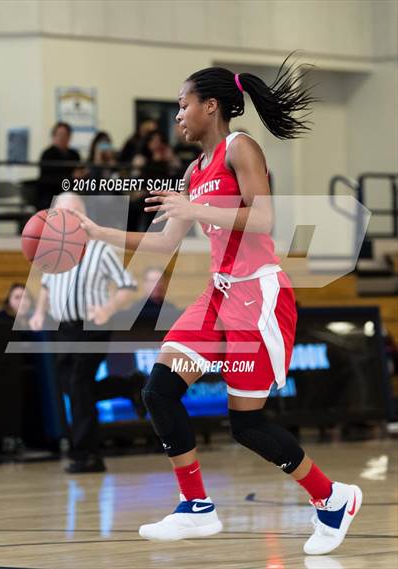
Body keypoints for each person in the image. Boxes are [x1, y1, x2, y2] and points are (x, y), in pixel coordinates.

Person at [75, 55, 362, 555]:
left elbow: (264, 219)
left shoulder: (239, 147)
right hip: (218, 293)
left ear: (211, 106)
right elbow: (164, 244)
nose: (178, 116)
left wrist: (195, 208)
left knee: (246, 425)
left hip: (258, 294)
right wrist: (97, 233)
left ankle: (332, 497)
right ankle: (196, 507)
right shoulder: (192, 170)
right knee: (159, 390)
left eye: (183, 106)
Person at [29, 193, 137, 474]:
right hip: (63, 329)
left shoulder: (101, 250)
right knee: (74, 389)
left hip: (92, 327)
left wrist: (108, 308)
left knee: (78, 384)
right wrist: (40, 313)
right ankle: (129, 386)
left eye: (73, 213)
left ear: (83, 216)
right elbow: (45, 286)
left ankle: (87, 454)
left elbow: (127, 286)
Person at [38, 122, 85, 210]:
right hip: (51, 195)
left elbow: (80, 173)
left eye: (65, 135)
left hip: (72, 194)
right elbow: (47, 179)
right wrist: (71, 177)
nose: (62, 138)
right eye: (60, 134)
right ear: (54, 136)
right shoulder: (47, 154)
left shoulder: (74, 155)